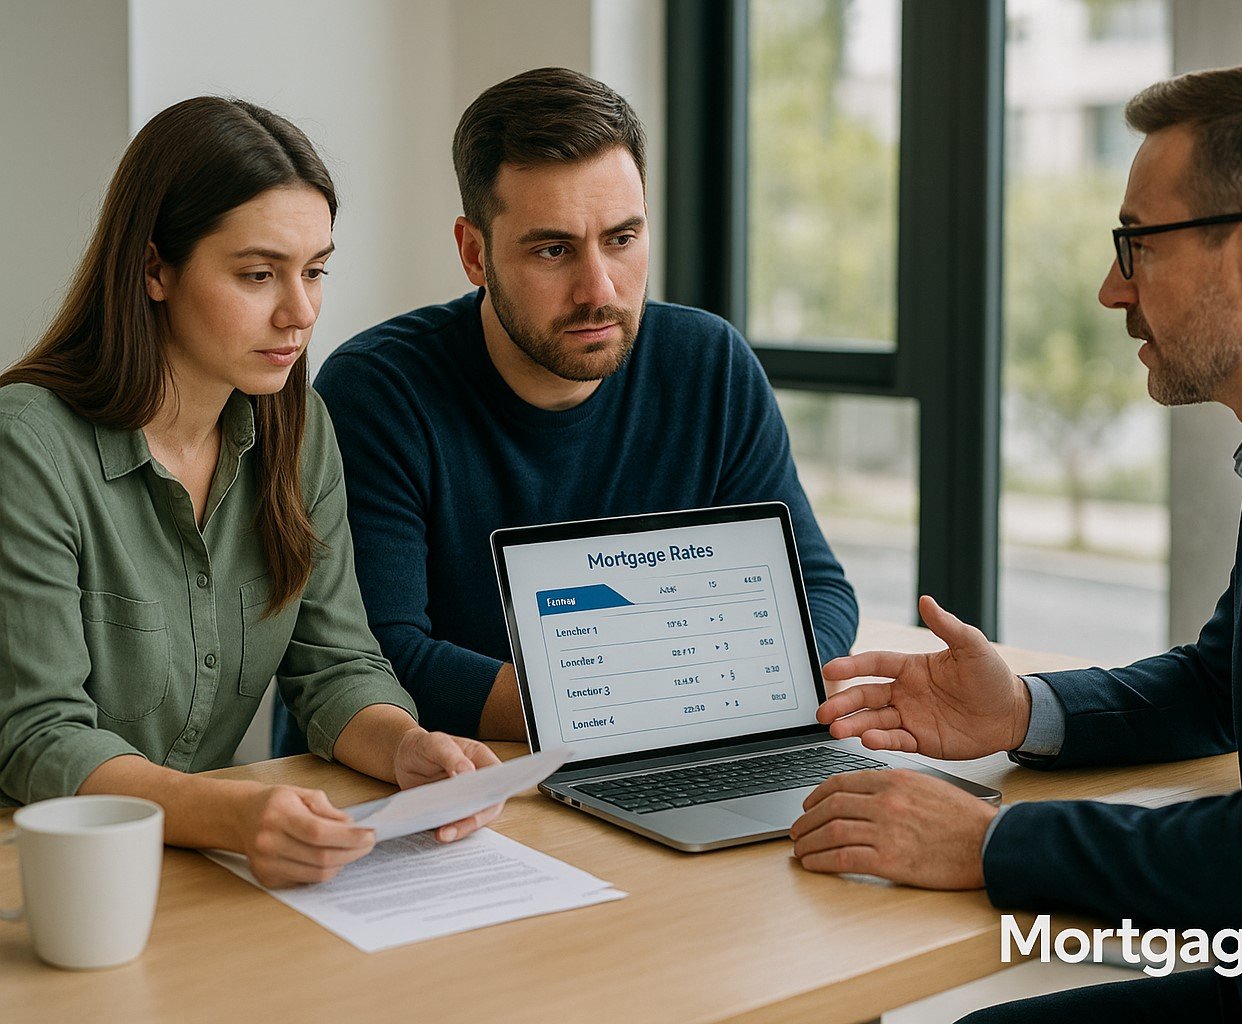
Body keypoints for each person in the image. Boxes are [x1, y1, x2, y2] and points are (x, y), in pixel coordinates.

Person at [788, 65, 1242, 1021]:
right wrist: (1022, 711)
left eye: (1136, 245)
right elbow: (1223, 682)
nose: (1111, 289)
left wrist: (986, 843)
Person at [271, 67, 857, 755]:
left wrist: (691, 701)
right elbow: (378, 658)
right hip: (434, 786)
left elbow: (815, 589)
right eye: (554, 249)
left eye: (622, 238)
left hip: (654, 756)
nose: (597, 289)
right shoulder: (379, 390)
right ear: (474, 253)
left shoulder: (709, 365)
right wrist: (642, 703)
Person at [0, 97, 503, 889]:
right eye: (258, 274)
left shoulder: (300, 435)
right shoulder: (27, 446)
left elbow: (336, 667)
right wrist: (229, 814)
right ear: (153, 269)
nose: (299, 312)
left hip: (198, 870)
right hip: (47, 879)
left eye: (315, 271)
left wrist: (405, 743)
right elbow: (38, 734)